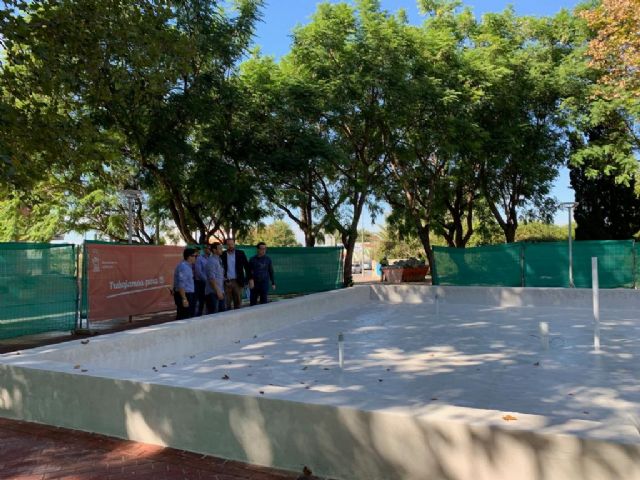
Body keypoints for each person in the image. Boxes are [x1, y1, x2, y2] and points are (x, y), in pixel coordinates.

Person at [221, 238, 251, 309]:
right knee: (227, 304)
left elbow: (247, 267)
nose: (230, 246)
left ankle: (238, 316)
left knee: (238, 304)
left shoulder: (240, 253)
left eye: (232, 244)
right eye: (228, 244)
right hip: (226, 282)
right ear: (226, 245)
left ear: (234, 244)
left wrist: (248, 279)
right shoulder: (222, 254)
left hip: (238, 282)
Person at [248, 242, 276, 306]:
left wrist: (273, 283)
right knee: (253, 302)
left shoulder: (268, 259)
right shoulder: (252, 259)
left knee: (264, 302)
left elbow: (271, 271)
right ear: (258, 249)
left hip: (264, 283)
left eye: (265, 249)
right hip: (254, 283)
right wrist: (250, 280)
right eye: (262, 249)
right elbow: (248, 271)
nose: (263, 250)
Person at [173, 247, 197, 319]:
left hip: (188, 294)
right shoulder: (183, 267)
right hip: (185, 294)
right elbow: (181, 284)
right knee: (184, 317)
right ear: (189, 257)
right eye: (195, 256)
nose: (196, 258)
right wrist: (184, 298)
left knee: (188, 316)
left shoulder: (188, 266)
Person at [205, 242, 226, 314]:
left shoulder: (219, 260)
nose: (221, 250)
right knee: (214, 315)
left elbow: (218, 275)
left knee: (222, 314)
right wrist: (218, 291)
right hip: (213, 293)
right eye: (220, 248)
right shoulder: (211, 261)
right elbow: (211, 279)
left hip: (220, 290)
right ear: (214, 250)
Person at [194, 245, 210, 316]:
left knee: (209, 300)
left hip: (211, 283)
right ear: (204, 249)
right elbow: (198, 272)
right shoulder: (199, 259)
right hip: (201, 283)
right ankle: (199, 316)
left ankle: (208, 315)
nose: (209, 249)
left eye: (210, 248)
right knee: (201, 301)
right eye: (207, 248)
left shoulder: (212, 258)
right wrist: (207, 280)